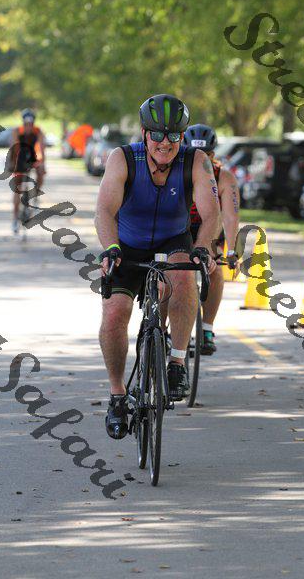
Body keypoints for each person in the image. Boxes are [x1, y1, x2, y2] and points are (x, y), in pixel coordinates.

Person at [95, 94, 221, 439]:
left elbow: (211, 213)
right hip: (126, 244)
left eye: (174, 135)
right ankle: (117, 395)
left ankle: (177, 361)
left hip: (172, 241)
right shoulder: (123, 158)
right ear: (144, 133)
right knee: (114, 314)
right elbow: (104, 210)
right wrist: (111, 248)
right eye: (157, 134)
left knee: (183, 276)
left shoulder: (195, 161)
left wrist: (202, 247)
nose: (165, 143)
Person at [183, 124, 240, 354]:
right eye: (193, 153)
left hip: (210, 229)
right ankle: (165, 330)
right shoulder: (176, 171)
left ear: (213, 155)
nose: (199, 159)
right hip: (181, 227)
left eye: (205, 155)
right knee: (176, 274)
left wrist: (232, 251)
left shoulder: (223, 177)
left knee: (215, 270)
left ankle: (207, 328)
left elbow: (230, 216)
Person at [10, 109, 46, 233]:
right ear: (23, 123)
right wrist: (14, 165)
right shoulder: (17, 131)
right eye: (26, 124)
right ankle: (15, 219)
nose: (29, 127)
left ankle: (35, 194)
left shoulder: (38, 131)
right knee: (17, 188)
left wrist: (43, 164)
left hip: (32, 157)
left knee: (41, 171)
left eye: (31, 124)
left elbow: (42, 148)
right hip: (19, 158)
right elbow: (14, 148)